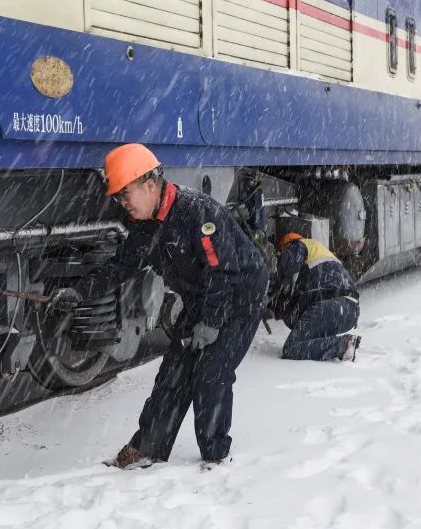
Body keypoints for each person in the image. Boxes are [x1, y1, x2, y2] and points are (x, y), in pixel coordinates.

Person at [96, 144, 268, 469]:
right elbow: (121, 267)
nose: (122, 203)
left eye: (125, 193)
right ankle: (147, 447)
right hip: (201, 298)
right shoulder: (146, 226)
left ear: (150, 184)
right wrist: (81, 291)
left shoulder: (196, 212)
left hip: (239, 295)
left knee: (212, 373)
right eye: (117, 197)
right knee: (173, 373)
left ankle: (215, 457)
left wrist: (211, 323)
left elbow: (223, 271)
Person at [272, 233, 361, 362]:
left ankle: (344, 344)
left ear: (287, 245)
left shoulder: (299, 245)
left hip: (332, 306)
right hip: (350, 312)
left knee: (291, 348)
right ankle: (343, 344)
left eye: (282, 252)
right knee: (307, 338)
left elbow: (285, 268)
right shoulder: (320, 254)